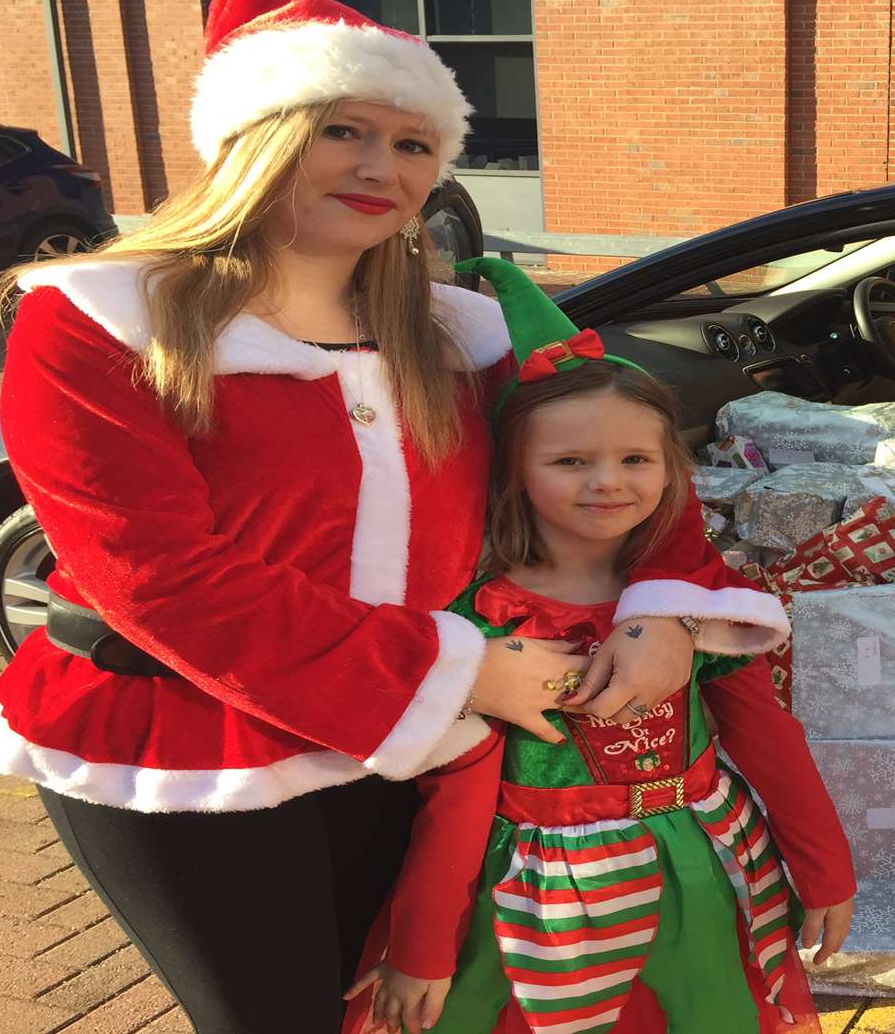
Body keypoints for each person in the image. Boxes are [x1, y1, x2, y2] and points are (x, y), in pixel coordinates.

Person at [0, 0, 786, 1034]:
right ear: (255, 138)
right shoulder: (103, 322)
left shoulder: (466, 333)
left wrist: (659, 609)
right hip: (188, 739)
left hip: (423, 738)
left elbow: (621, 464)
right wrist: (463, 669)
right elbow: (161, 576)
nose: (380, 169)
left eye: (412, 144)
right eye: (343, 131)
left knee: (400, 1013)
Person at [342, 258, 855, 1034]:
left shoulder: (695, 605)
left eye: (635, 459)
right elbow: (456, 799)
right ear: (514, 472)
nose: (607, 482)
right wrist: (423, 946)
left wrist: (826, 870)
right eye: (570, 461)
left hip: (705, 874)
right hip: (541, 908)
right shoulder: (480, 622)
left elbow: (767, 734)